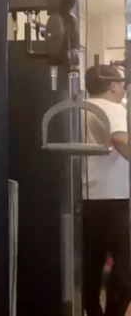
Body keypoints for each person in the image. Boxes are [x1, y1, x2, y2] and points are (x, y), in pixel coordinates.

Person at [83, 64, 130, 316]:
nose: (124, 87)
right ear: (113, 85)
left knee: (92, 263)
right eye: (122, 83)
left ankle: (93, 311)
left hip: (86, 196)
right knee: (127, 263)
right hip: (113, 197)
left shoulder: (81, 108)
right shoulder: (113, 108)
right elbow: (120, 139)